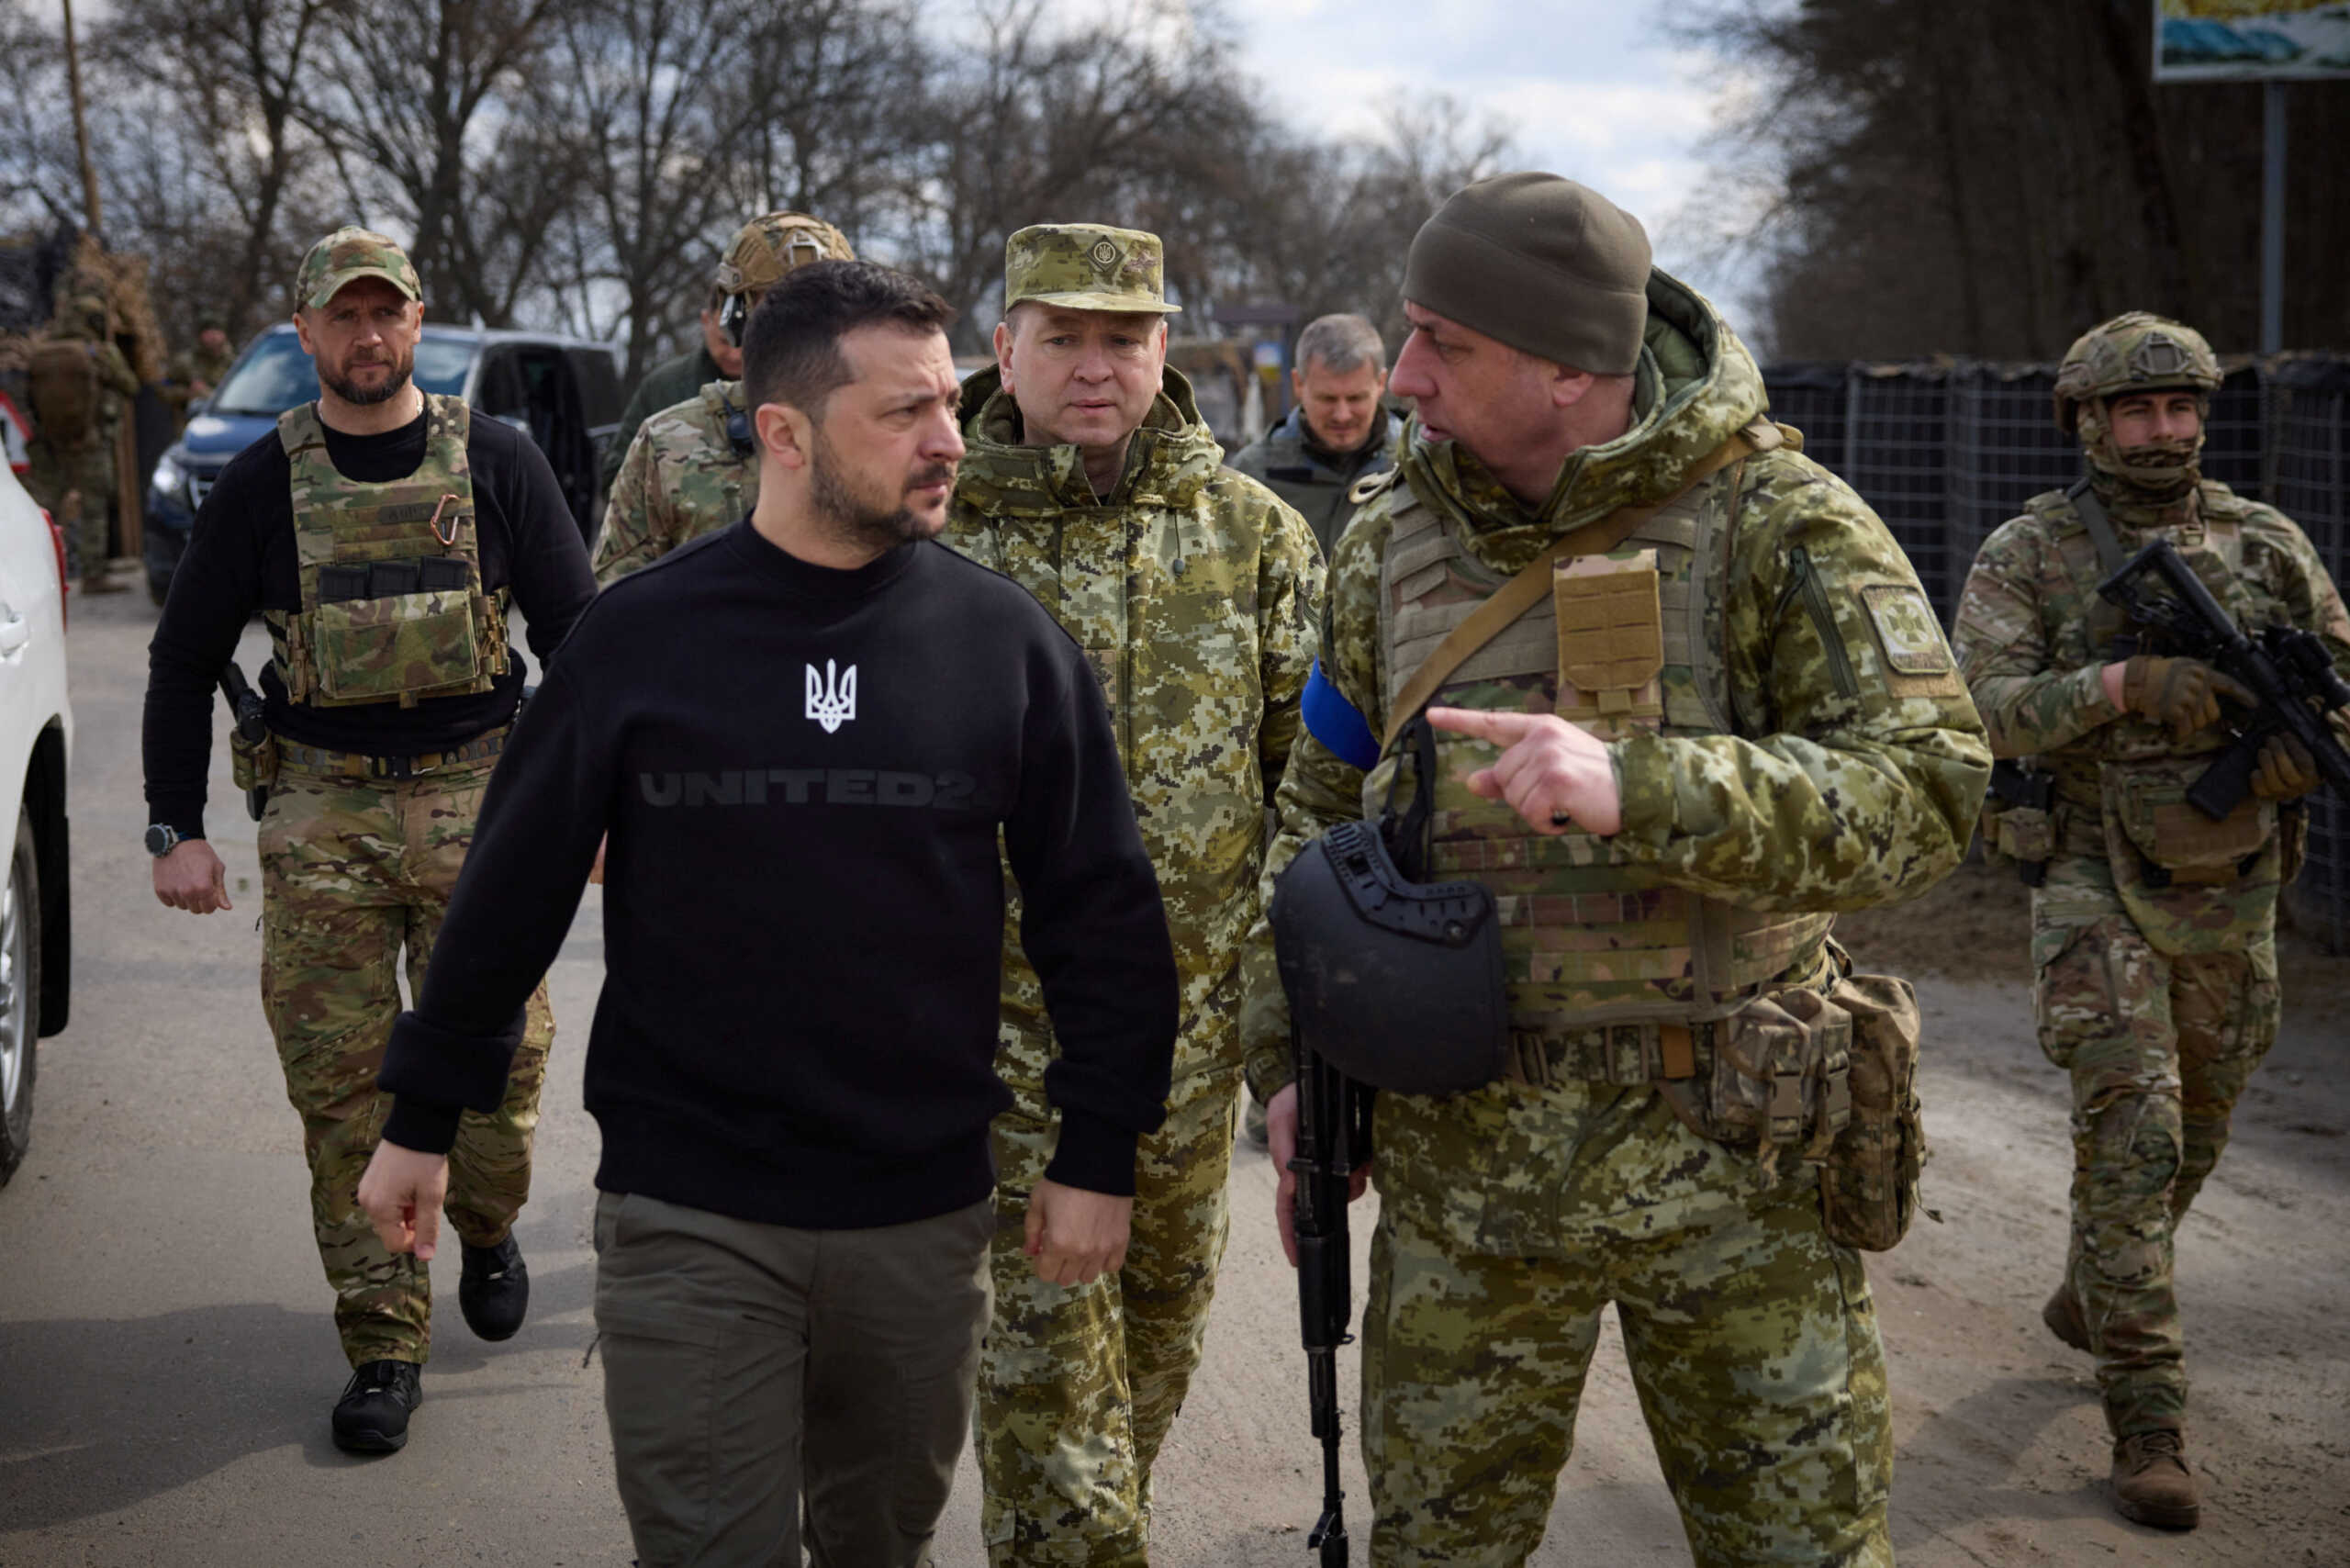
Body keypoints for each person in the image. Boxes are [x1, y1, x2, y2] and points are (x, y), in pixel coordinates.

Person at [355, 259, 1180, 1567]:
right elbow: (507, 893)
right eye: (904, 412)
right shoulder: (636, 642)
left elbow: (1105, 914)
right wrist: (421, 1118)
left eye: (948, 405)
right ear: (783, 432)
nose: (950, 438)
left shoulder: (1007, 646)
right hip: (691, 1209)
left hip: (918, 1215)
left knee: (879, 1544)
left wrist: (1099, 1148)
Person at [1250, 173, 1990, 1566]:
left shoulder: (1782, 522)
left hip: (1736, 1170)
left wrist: (1640, 787)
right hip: (1466, 1180)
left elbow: (1935, 793)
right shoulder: (1394, 542)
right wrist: (1284, 1060)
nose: (1400, 376)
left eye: (1443, 344)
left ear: (1572, 370)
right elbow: (1312, 812)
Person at [141, 226, 596, 1454]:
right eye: (341, 317)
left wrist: (595, 809)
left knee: (499, 1083)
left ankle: (488, 1222)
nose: (365, 335)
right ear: (306, 336)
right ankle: (384, 1343)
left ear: (415, 318)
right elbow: (184, 663)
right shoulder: (258, 482)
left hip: (482, 815)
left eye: (383, 311)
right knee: (345, 1098)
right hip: (323, 813)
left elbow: (584, 644)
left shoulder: (494, 460)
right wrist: (174, 826)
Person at [943, 223, 1322, 1563]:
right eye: (1063, 337)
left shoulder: (1257, 540)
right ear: (1005, 350)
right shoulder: (933, 539)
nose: (1094, 367)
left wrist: (1291, 1045)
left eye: (1124, 338)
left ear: (1169, 351)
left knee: (1151, 1354)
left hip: (1189, 1043)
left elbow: (1314, 805)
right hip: (996, 1052)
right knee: (1051, 1400)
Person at [1952, 311, 2350, 1532]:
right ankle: (2150, 1421)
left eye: (2180, 408)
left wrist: (2292, 753)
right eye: (2135, 410)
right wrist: (2121, 686)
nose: (2161, 430)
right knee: (2133, 1133)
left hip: (2230, 881)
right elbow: (1980, 708)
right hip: (2088, 870)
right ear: (2086, 420)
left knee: (2201, 1132)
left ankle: (2098, 1284)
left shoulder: (2266, 544)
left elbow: (2338, 683)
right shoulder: (2033, 553)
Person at [594, 211, 853, 583]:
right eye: (786, 303)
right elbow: (615, 605)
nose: (807, 324)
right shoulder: (669, 441)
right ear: (736, 318)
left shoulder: (909, 434)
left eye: (825, 305)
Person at [1225, 311, 1400, 554]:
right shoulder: (1252, 476)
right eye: (1327, 399)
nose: (1342, 415)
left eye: (1356, 398)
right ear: (1298, 383)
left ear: (1381, 383)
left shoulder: (1416, 465)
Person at [23, 293, 139, 594]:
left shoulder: (43, 351)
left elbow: (28, 398)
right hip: (89, 441)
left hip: (49, 441)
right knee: (93, 505)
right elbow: (130, 385)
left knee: (45, 504)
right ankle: (93, 575)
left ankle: (33, 569)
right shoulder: (98, 351)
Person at [166, 316, 237, 426]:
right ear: (201, 335)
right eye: (208, 331)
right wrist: (189, 393)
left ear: (224, 335)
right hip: (191, 423)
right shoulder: (185, 362)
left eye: (217, 331)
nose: (213, 336)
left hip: (228, 422)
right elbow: (164, 390)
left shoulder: (236, 363)